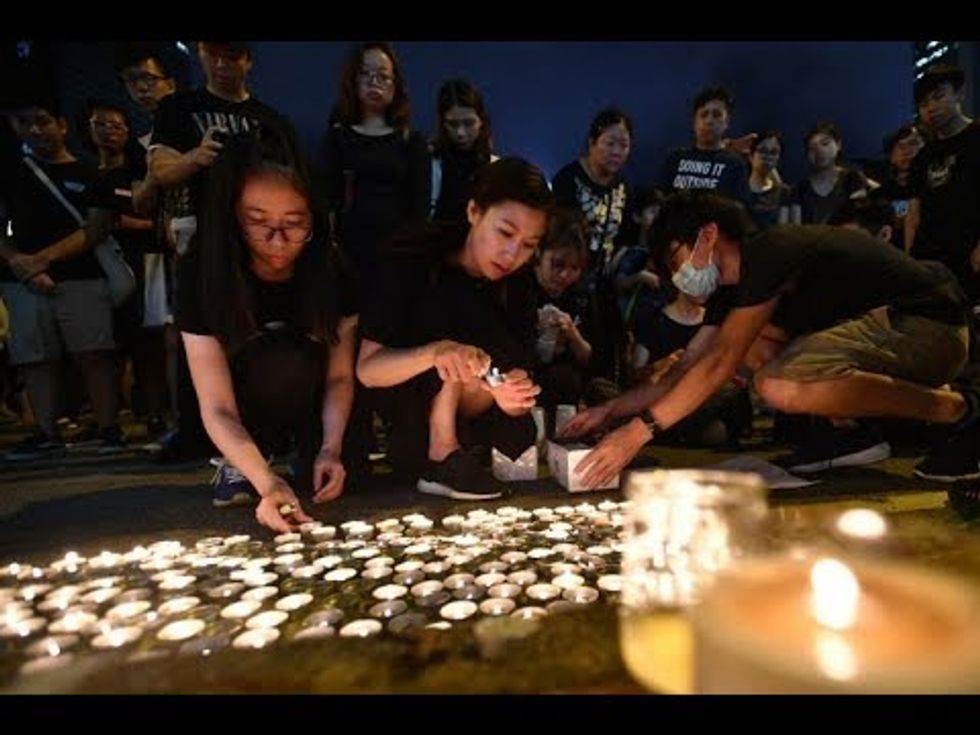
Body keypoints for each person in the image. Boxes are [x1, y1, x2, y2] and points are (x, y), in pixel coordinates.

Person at [560, 190, 978, 488]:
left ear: (707, 236)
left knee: (774, 381)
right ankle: (851, 434)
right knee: (753, 348)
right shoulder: (730, 293)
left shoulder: (768, 253)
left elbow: (720, 363)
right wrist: (609, 412)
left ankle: (961, 412)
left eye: (676, 259)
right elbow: (687, 370)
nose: (676, 276)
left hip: (928, 329)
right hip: (888, 335)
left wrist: (636, 433)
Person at [176, 128, 358, 533]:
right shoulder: (202, 274)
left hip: (311, 398)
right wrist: (266, 482)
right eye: (257, 223)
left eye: (294, 224)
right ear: (233, 218)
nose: (277, 241)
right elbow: (216, 405)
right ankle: (240, 461)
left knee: (350, 466)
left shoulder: (331, 269)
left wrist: (331, 448)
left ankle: (305, 452)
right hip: (242, 402)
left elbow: (341, 375)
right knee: (278, 361)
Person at [357, 157, 551, 500]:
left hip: (481, 418)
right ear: (474, 211)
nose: (511, 254)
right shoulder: (412, 257)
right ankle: (441, 453)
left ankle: (457, 455)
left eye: (529, 245)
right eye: (505, 232)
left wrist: (510, 395)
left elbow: (517, 382)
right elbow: (368, 370)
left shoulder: (518, 286)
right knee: (455, 323)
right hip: (408, 404)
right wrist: (436, 353)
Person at [429, 78, 497, 223]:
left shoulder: (496, 167)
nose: (461, 133)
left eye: (469, 123)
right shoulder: (430, 164)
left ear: (481, 121)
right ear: (442, 123)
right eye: (453, 124)